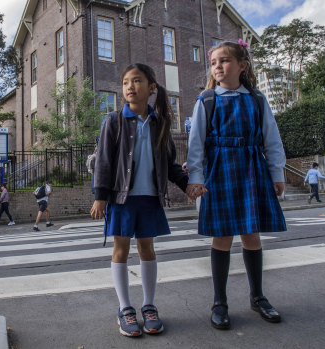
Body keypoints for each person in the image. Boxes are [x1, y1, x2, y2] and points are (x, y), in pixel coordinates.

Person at [186, 40, 287, 330]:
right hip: (220, 172)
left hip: (252, 170)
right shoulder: (207, 100)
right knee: (222, 238)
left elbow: (271, 137)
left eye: (225, 61)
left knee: (251, 235)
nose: (218, 66)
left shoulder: (257, 99)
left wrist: (277, 173)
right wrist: (196, 179)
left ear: (242, 66)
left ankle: (257, 297)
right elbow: (196, 146)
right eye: (214, 62)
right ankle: (220, 302)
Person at [91, 63, 189, 337]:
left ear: (151, 88)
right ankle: (125, 309)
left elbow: (169, 164)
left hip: (150, 198)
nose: (130, 87)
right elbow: (104, 162)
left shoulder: (160, 124)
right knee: (120, 250)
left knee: (147, 249)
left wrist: (188, 184)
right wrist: (100, 197)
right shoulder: (113, 121)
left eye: (136, 81)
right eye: (125, 82)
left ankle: (149, 305)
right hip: (121, 199)